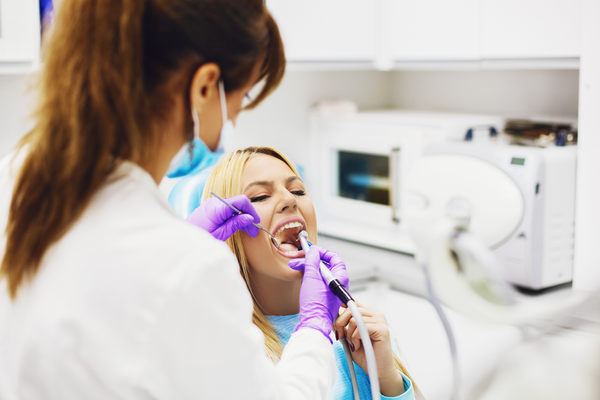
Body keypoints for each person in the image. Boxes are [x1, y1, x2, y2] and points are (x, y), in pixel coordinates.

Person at [0, 1, 345, 399]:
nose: (233, 117)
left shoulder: (16, 176)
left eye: (297, 189)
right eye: (241, 95)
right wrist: (315, 328)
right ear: (204, 87)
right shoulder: (184, 266)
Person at [186, 147, 422, 400]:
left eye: (298, 190)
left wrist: (387, 380)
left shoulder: (362, 331)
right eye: (261, 196)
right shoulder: (228, 346)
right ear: (231, 233)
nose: (290, 200)